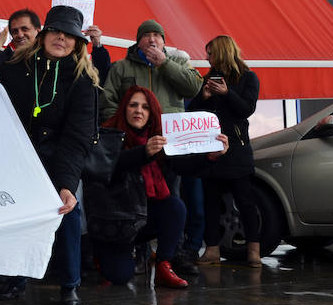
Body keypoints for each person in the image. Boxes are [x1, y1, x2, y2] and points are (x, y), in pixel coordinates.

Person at [0, 6, 97, 305]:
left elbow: (77, 139)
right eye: (56, 32)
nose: (61, 39)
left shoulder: (84, 82)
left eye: (69, 36)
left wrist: (66, 183)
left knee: (67, 212)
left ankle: (69, 284)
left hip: (60, 157)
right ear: (45, 34)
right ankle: (17, 278)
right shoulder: (17, 65)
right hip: (20, 156)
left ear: (77, 42)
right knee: (17, 216)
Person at [86, 86, 229, 287]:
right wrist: (143, 153)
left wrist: (210, 157)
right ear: (123, 108)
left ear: (151, 113)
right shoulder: (108, 134)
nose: (139, 111)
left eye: (145, 107)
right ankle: (101, 253)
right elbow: (109, 166)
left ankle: (164, 264)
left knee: (175, 206)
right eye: (133, 105)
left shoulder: (159, 138)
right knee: (119, 276)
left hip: (141, 216)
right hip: (114, 221)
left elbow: (182, 166)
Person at [188, 35, 261, 268]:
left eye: (210, 53)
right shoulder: (207, 78)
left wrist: (226, 92)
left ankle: (253, 250)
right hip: (211, 149)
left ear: (220, 53)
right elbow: (195, 114)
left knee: (245, 202)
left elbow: (246, 110)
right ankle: (212, 250)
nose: (207, 58)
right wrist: (203, 97)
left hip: (238, 150)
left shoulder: (249, 77)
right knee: (210, 202)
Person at [101, 19, 202, 120]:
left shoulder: (179, 62)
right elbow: (108, 102)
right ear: (138, 43)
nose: (152, 39)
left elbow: (193, 88)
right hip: (134, 132)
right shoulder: (121, 67)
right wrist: (120, 127)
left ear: (163, 42)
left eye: (156, 35)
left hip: (168, 130)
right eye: (146, 35)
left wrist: (164, 63)